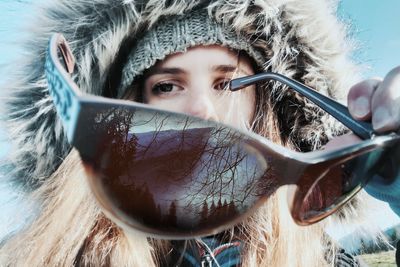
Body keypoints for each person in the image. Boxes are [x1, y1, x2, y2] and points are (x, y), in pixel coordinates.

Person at [0, 0, 398, 266]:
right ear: (130, 111)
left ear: (262, 107)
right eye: (168, 86)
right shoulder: (53, 255)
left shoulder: (322, 260)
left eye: (226, 84)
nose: (202, 110)